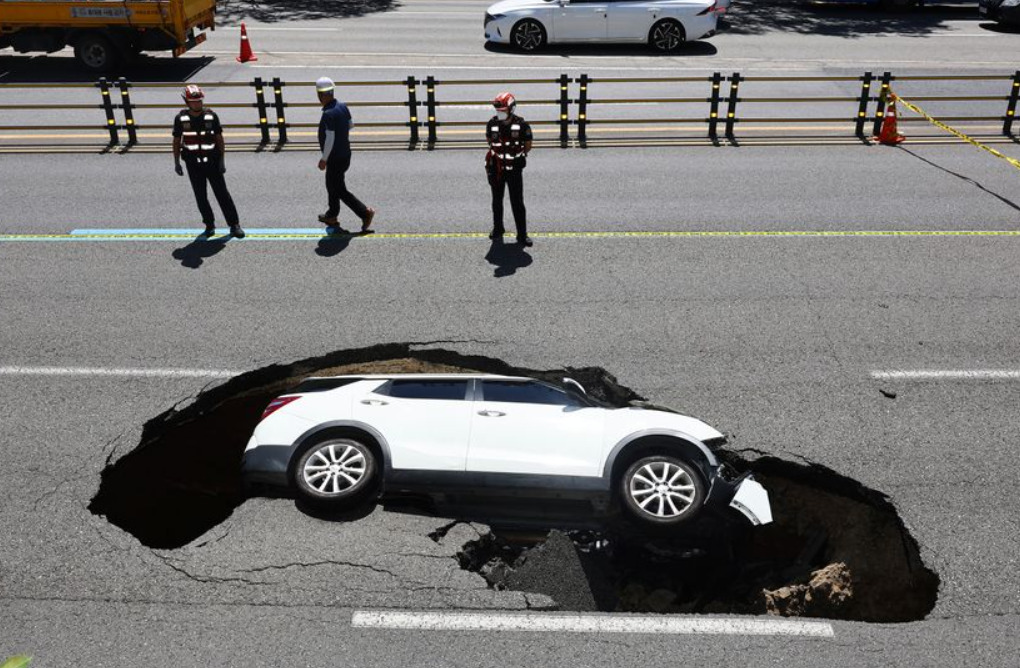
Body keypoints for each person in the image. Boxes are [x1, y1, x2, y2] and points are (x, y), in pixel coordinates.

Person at [172, 85, 244, 238]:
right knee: (201, 196)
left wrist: (222, 160)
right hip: (193, 164)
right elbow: (177, 141)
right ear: (186, 102)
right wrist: (176, 162)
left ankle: (234, 225)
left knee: (222, 194)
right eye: (194, 101)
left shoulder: (211, 116)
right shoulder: (180, 119)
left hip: (212, 161)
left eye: (199, 101)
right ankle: (209, 225)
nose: (197, 104)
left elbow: (219, 138)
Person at [316, 77, 375, 234]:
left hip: (335, 158)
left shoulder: (328, 113)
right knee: (332, 184)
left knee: (339, 189)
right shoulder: (343, 107)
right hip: (345, 154)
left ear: (321, 95)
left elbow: (330, 138)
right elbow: (350, 125)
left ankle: (365, 213)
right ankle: (332, 215)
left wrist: (324, 159)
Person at [485, 91, 533, 247]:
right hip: (497, 169)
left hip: (514, 171)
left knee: (517, 202)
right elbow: (490, 142)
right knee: (496, 201)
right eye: (498, 111)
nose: (499, 113)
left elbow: (527, 146)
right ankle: (498, 229)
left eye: (503, 111)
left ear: (511, 109)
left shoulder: (522, 125)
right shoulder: (491, 124)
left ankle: (522, 234)